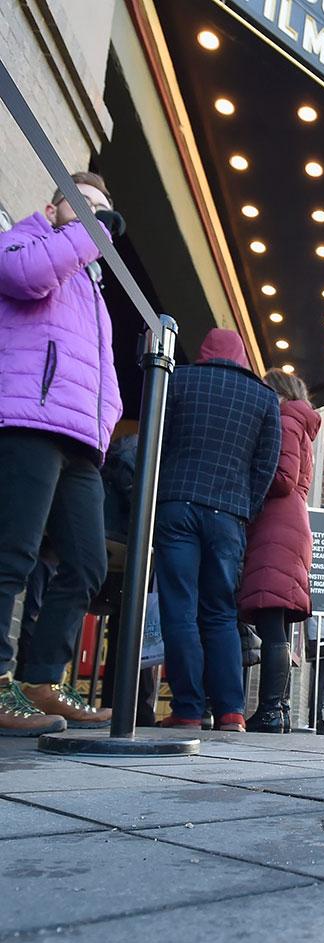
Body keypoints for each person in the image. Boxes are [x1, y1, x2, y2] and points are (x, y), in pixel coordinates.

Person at [0, 171, 123, 735]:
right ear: (54, 207)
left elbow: (102, 370)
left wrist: (107, 420)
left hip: (79, 439)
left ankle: (40, 679)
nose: (96, 219)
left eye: (102, 211)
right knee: (12, 555)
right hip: (30, 417)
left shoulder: (90, 283)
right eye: (85, 206)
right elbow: (22, 277)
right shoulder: (26, 239)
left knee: (88, 563)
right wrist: (84, 234)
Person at [154, 329, 280, 732]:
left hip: (177, 503)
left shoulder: (179, 379)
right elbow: (266, 464)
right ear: (241, 357)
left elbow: (160, 440)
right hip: (228, 514)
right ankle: (231, 711)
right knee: (222, 612)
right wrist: (245, 506)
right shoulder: (263, 397)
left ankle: (189, 710)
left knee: (180, 608)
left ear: (204, 353)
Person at [237, 368, 320, 733]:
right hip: (291, 524)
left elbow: (282, 477)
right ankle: (280, 708)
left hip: (276, 523)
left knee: (273, 623)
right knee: (279, 627)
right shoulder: (301, 421)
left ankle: (270, 709)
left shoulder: (286, 418)